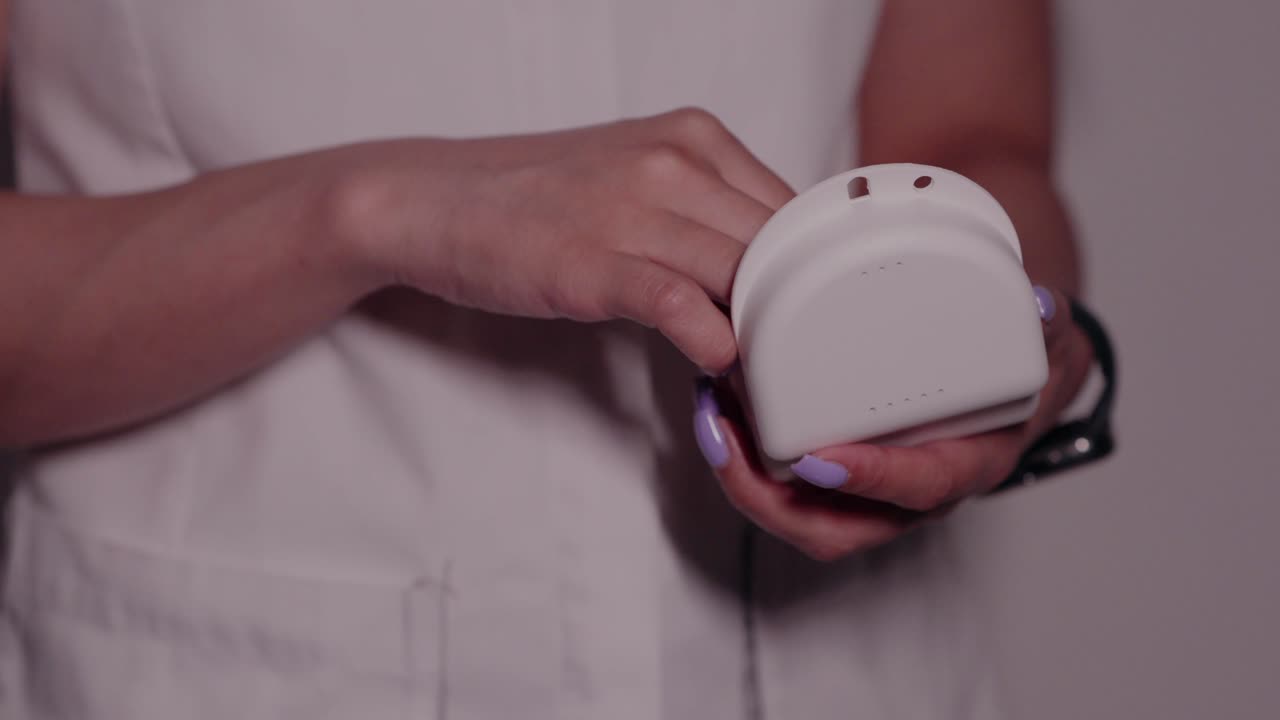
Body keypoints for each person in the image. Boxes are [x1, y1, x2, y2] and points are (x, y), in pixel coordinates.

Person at [0, 0, 1093, 717]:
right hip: (234, 677)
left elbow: (976, 138)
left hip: (854, 664)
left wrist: (1006, 342)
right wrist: (375, 211)